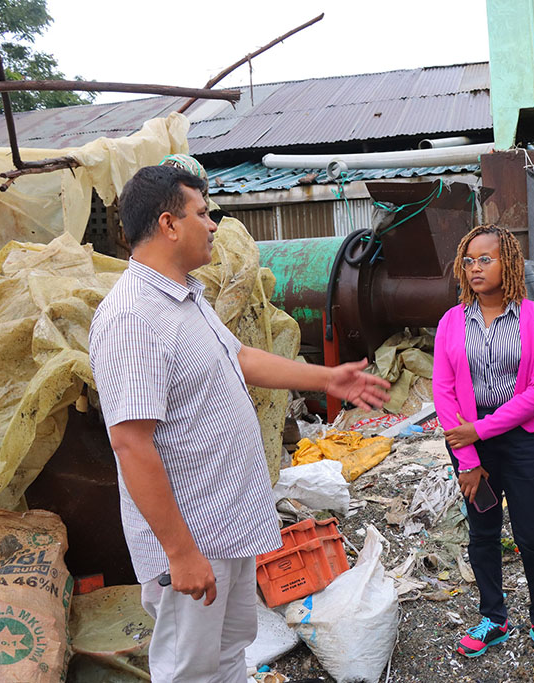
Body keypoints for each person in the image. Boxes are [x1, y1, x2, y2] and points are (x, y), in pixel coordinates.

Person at [89, 165, 390, 682]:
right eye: (202, 213)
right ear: (169, 224)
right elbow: (131, 444)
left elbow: (242, 358)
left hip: (224, 525)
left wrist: (328, 378)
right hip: (192, 537)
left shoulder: (185, 297)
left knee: (231, 654)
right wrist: (180, 553)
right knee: (190, 669)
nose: (212, 224)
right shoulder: (131, 317)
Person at [432, 225, 534, 666]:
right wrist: (468, 458)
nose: (474, 268)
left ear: (508, 262)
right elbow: (445, 393)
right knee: (483, 533)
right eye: (469, 260)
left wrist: (481, 430)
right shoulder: (451, 322)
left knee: (532, 536)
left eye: (485, 259)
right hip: (473, 450)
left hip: (526, 442)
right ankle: (493, 617)